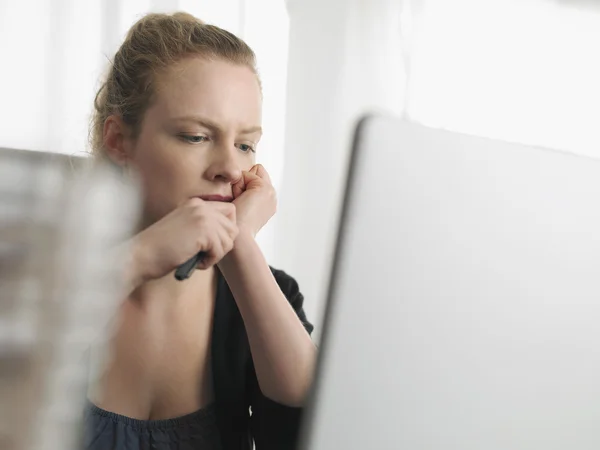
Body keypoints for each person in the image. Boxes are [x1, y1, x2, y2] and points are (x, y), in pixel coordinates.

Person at [83, 11, 316, 450]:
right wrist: (139, 257)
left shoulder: (265, 296)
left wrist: (238, 244)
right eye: (195, 136)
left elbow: (313, 432)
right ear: (118, 141)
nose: (230, 168)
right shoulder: (32, 276)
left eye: (246, 144)